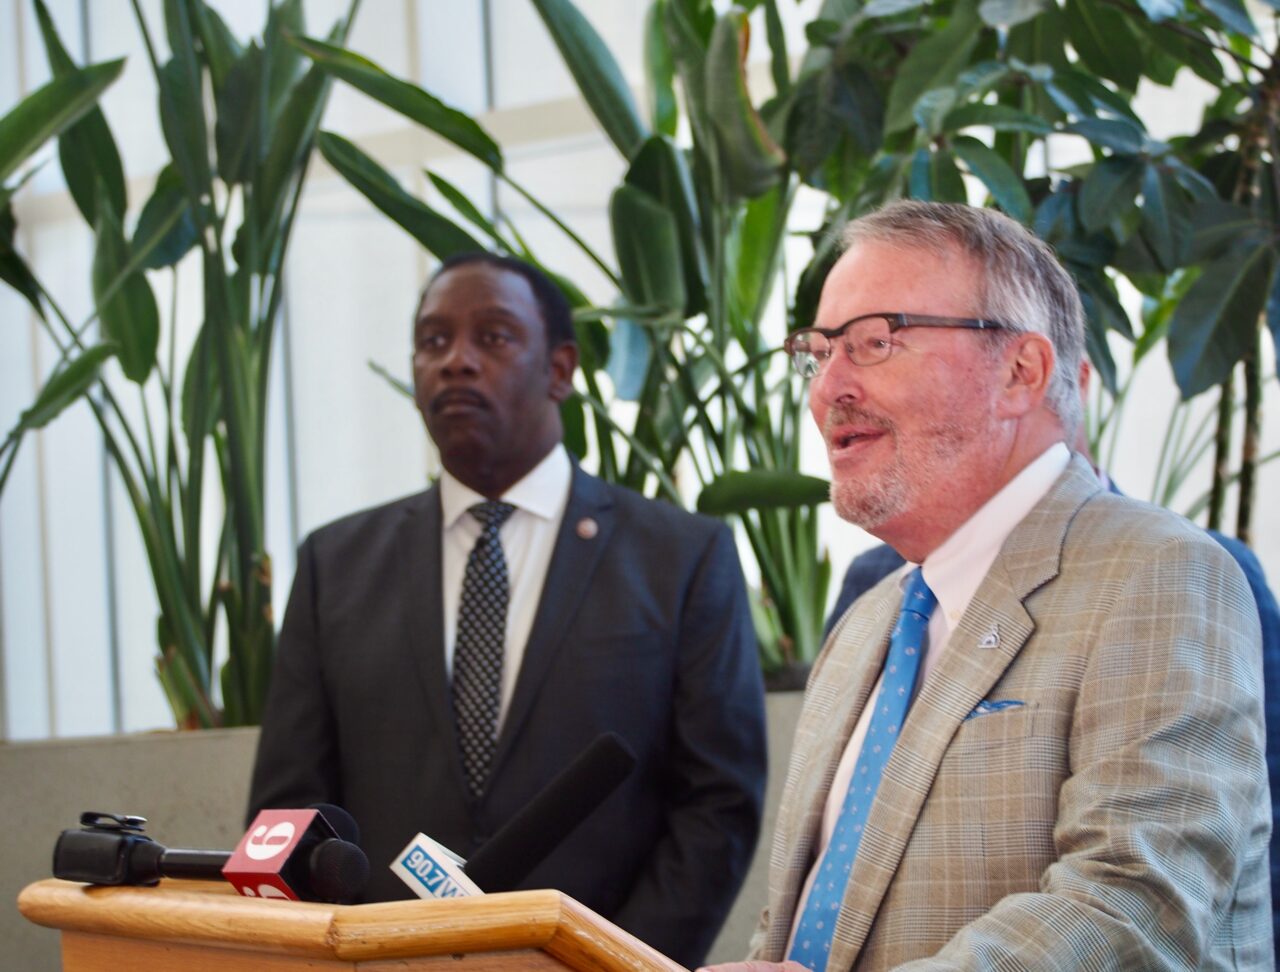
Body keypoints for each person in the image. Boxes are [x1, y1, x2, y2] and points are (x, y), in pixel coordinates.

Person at [710, 201, 1271, 971]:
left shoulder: (1159, 572)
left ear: (1020, 372)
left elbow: (1132, 911)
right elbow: (802, 921)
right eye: (816, 351)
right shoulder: (866, 624)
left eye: (874, 341)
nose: (827, 386)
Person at [248, 252, 767, 966]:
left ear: (559, 370)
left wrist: (610, 965)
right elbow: (289, 813)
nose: (455, 361)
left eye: (492, 337)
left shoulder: (680, 557)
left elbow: (717, 806)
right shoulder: (335, 565)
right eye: (433, 342)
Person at [822, 364, 1280, 961]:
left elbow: (1230, 834)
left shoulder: (1186, 564)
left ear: (1061, 378)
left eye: (884, 346)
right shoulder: (877, 586)